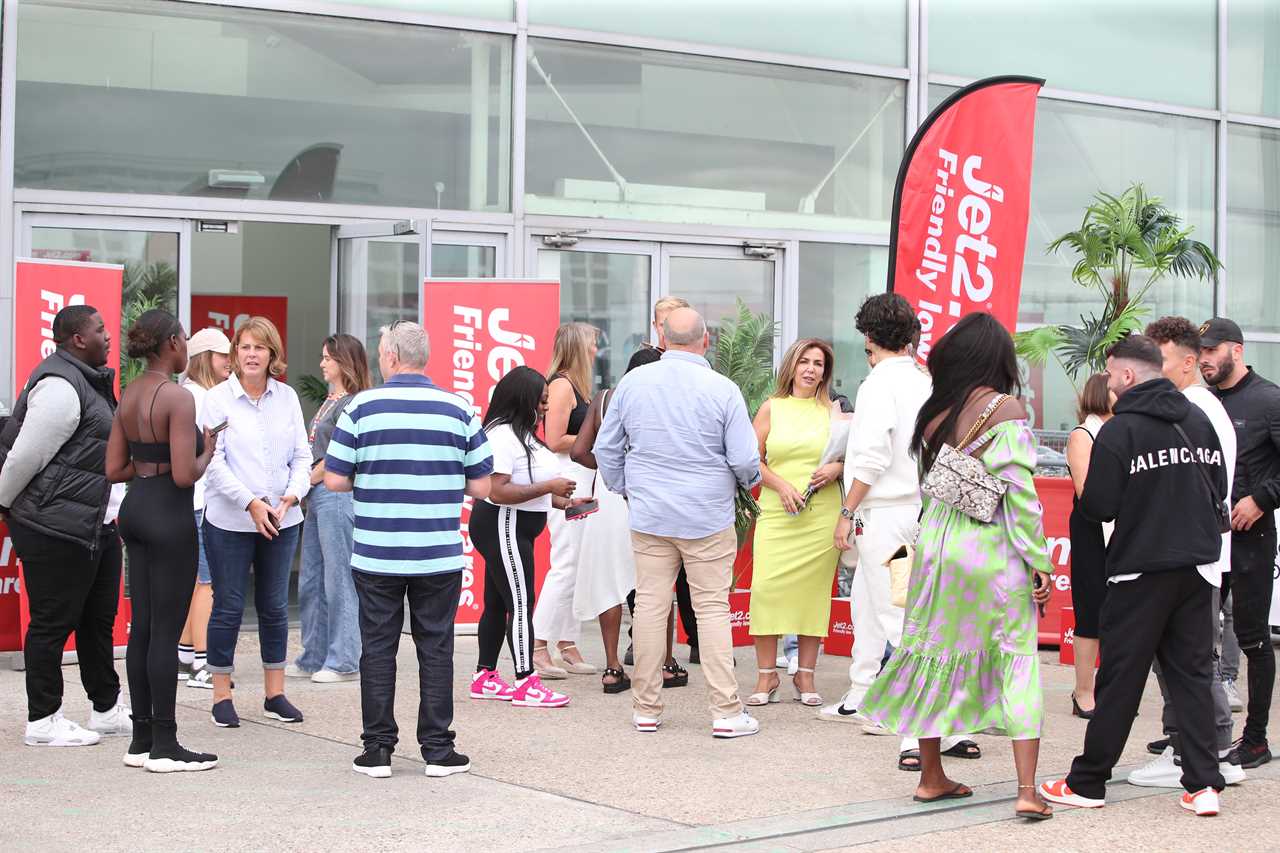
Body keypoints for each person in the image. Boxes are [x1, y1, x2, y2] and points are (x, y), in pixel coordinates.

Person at [860, 313, 1053, 819]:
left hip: (936, 548)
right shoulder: (1004, 408)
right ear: (998, 359)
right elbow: (1021, 498)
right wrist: (1039, 561)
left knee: (928, 651)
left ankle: (931, 776)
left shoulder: (934, 412)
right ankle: (1028, 791)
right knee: (1015, 658)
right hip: (991, 552)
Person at [324, 321, 493, 779]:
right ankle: (438, 750)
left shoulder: (360, 407)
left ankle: (377, 749)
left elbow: (335, 479)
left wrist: (376, 477)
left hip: (377, 551)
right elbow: (481, 484)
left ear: (393, 358)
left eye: (381, 352)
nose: (380, 359)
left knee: (377, 649)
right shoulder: (459, 409)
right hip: (437, 552)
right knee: (435, 648)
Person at [828, 295, 979, 771]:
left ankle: (916, 734)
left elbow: (872, 454)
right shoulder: (925, 379)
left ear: (869, 338)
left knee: (903, 621)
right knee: (912, 615)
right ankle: (949, 726)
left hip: (890, 518)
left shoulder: (879, 383)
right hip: (929, 510)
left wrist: (847, 511)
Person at [596, 307, 762, 738]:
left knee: (651, 607)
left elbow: (606, 448)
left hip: (651, 514)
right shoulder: (722, 389)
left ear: (664, 339)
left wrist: (624, 487)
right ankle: (726, 712)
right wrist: (747, 482)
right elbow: (745, 459)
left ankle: (646, 709)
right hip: (707, 515)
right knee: (711, 609)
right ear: (706, 341)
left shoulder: (633, 383)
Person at [0, 305, 132, 747]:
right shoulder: (60, 385)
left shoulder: (89, 380)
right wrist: (4, 504)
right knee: (52, 623)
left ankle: (106, 710)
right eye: (100, 329)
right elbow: (24, 457)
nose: (108, 336)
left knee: (98, 621)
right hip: (55, 526)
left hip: (95, 523)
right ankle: (43, 720)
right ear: (77, 338)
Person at [1128, 316, 1242, 787]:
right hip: (1197, 550)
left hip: (1188, 552)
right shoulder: (1200, 407)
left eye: (1163, 360)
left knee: (1187, 660)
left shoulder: (1192, 410)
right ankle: (1203, 748)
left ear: (1189, 362)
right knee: (1189, 657)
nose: (1153, 369)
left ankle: (1201, 749)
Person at [107, 309, 218, 772]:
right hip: (170, 515)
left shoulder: (129, 392)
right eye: (184, 340)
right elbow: (184, 474)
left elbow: (113, 468)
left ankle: (141, 739)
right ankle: (166, 745)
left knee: (145, 627)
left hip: (135, 509)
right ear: (171, 342)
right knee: (166, 632)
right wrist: (208, 449)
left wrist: (146, 467)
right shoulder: (178, 397)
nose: (187, 347)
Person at [200, 317, 311, 729]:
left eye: (259, 348)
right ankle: (221, 695)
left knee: (275, 606)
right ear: (234, 353)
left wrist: (292, 494)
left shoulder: (287, 398)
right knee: (228, 605)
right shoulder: (217, 400)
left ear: (271, 355)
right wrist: (249, 503)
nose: (251, 354)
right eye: (244, 347)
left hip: (283, 517)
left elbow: (303, 455)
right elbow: (211, 463)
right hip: (230, 519)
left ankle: (274, 693)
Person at [1199, 317, 1279, 769]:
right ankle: (1194, 729)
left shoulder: (1269, 399)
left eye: (1212, 350)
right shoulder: (1202, 403)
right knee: (1193, 637)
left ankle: (1256, 738)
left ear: (1236, 350)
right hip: (1205, 538)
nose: (1205, 359)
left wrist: (1261, 500)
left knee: (1251, 638)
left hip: (1251, 536)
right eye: (1201, 352)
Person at [469, 366, 575, 709]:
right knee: (520, 602)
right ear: (523, 399)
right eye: (541, 400)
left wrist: (565, 502)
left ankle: (485, 676)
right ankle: (526, 680)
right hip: (504, 522)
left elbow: (528, 489)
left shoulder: (523, 434)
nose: (545, 407)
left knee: (500, 602)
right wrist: (549, 487)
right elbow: (498, 491)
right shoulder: (501, 436)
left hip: (515, 524)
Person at [571, 346, 674, 694]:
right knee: (657, 580)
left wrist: (613, 469)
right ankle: (667, 663)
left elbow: (579, 452)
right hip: (650, 496)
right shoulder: (661, 401)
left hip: (609, 496)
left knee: (608, 583)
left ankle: (613, 666)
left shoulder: (605, 398)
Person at [747, 338, 842, 707]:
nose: (811, 369)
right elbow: (750, 459)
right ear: (791, 365)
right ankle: (766, 676)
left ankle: (805, 675)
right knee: (766, 589)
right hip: (776, 509)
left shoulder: (834, 412)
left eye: (818, 364)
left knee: (812, 593)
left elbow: (857, 455)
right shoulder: (772, 407)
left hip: (821, 513)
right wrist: (781, 485)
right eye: (804, 361)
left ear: (825, 372)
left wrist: (839, 467)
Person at [288, 334, 372, 684]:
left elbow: (337, 457)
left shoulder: (352, 403)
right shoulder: (330, 401)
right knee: (311, 578)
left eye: (327, 358)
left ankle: (343, 658)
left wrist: (302, 482)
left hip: (336, 496)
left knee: (338, 578)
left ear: (343, 361)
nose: (322, 363)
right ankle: (315, 653)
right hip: (318, 496)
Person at [532, 322, 599, 678]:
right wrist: (594, 440)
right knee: (566, 562)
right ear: (577, 347)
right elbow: (554, 437)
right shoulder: (560, 385)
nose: (595, 351)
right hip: (567, 479)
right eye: (591, 345)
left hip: (582, 478)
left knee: (578, 563)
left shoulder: (580, 389)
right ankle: (540, 645)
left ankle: (567, 642)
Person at [178, 328, 232, 690]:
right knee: (207, 582)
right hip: (201, 502)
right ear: (204, 358)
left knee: (196, 582)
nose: (230, 361)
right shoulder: (200, 397)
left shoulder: (189, 394)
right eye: (222, 355)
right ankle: (202, 662)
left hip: (192, 502)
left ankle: (184, 655)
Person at [1065, 373, 1113, 719]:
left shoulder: (1126, 429)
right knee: (1090, 611)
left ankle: (1112, 689)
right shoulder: (1084, 434)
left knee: (1119, 612)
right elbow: (1087, 491)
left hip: (1124, 529)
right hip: (1093, 529)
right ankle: (1084, 691)